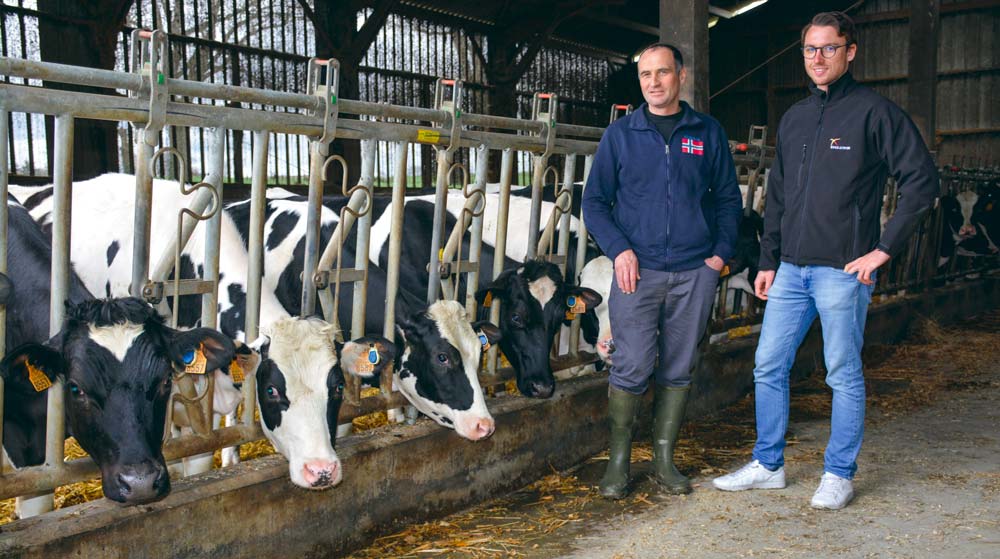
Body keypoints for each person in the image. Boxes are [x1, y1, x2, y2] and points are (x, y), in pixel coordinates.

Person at [712, 11, 939, 510]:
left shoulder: (875, 113)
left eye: (829, 48)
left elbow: (922, 181)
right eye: (810, 50)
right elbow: (778, 197)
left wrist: (882, 250)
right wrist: (768, 259)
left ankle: (839, 472)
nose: (818, 59)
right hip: (790, 269)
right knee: (768, 364)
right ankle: (769, 465)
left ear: (850, 51)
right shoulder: (794, 119)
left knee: (841, 372)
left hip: (842, 269)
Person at [582, 43, 742, 499]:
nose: (653, 82)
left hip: (695, 269)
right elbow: (594, 202)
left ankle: (665, 460)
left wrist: (718, 257)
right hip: (639, 270)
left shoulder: (706, 132)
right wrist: (619, 250)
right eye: (645, 74)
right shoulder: (621, 134)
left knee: (679, 365)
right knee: (631, 364)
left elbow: (729, 200)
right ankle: (618, 464)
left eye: (663, 73)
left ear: (681, 77)